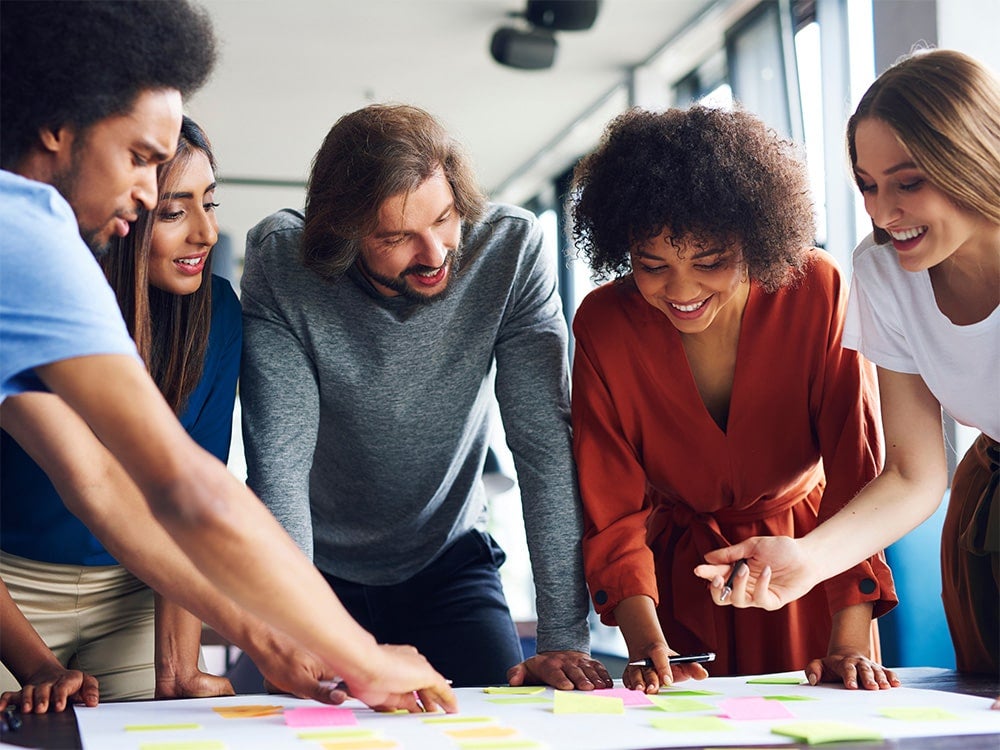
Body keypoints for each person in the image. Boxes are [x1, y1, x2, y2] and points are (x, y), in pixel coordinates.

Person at [0, 1, 454, 714]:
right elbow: (188, 490)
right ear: (57, 126)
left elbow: (99, 484)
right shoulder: (23, 237)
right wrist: (358, 653)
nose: (148, 193)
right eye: (140, 158)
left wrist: (278, 647)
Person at [240, 103, 611, 690]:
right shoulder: (283, 263)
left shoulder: (509, 251)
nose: (435, 253)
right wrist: (295, 629)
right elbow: (278, 462)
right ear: (344, 233)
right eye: (396, 237)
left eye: (444, 219)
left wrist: (564, 637)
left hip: (450, 561)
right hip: (314, 572)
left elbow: (543, 449)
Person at [569, 105, 899, 693]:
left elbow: (858, 475)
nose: (682, 290)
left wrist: (847, 643)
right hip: (674, 587)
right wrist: (648, 646)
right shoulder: (603, 324)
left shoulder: (817, 291)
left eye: (710, 262)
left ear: (754, 236)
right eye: (652, 265)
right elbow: (611, 508)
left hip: (809, 565)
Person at [695, 49, 999, 679]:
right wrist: (808, 558)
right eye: (868, 184)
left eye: (909, 182)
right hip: (987, 504)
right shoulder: (885, 270)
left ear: (972, 160)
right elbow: (915, 474)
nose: (883, 213)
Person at [1, 117, 239, 706]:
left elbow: (188, 502)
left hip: (136, 592)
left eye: (209, 203)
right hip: (13, 589)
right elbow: (93, 481)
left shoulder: (219, 315)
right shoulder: (28, 299)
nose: (207, 233)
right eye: (173, 212)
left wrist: (180, 668)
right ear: (124, 215)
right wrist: (34, 666)